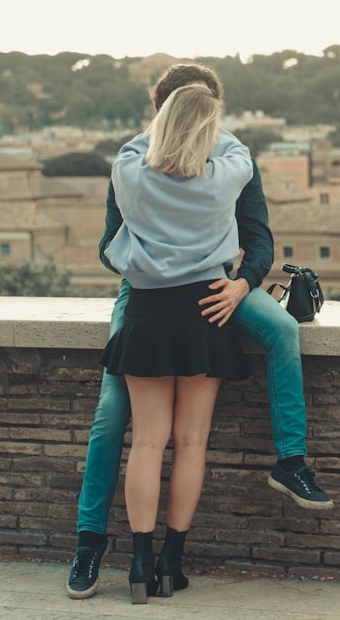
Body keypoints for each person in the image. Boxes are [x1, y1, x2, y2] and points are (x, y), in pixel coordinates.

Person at [66, 64, 332, 602]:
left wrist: (242, 285)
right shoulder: (228, 161)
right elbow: (109, 242)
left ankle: (290, 461)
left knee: (280, 328)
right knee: (111, 416)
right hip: (164, 295)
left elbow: (259, 241)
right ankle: (90, 543)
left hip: (218, 288)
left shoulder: (130, 162)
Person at [100, 82, 254, 603]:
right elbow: (238, 151)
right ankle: (172, 562)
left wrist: (169, 123)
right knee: (191, 444)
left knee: (146, 442)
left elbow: (139, 145)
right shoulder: (224, 174)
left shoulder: (129, 170)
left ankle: (139, 566)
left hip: (146, 310)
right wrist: (205, 120)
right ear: (208, 130)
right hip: (204, 308)